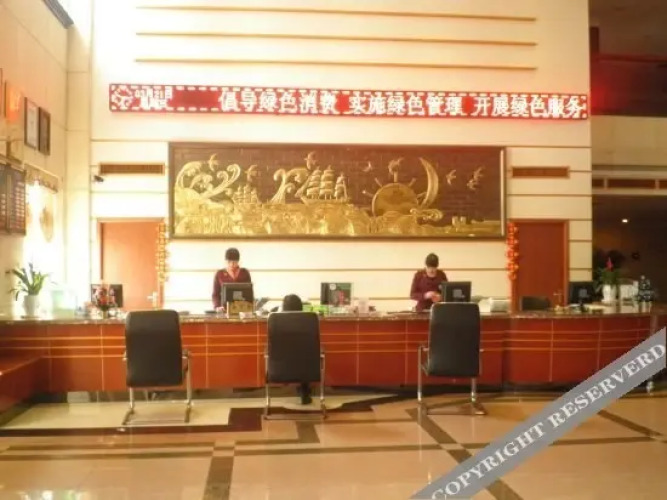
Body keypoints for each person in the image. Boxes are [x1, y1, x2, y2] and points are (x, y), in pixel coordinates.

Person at [280, 294, 313, 405]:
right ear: (301, 307)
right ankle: (304, 391)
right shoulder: (308, 320)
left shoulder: (276, 320)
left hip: (280, 362)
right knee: (304, 356)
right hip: (304, 362)